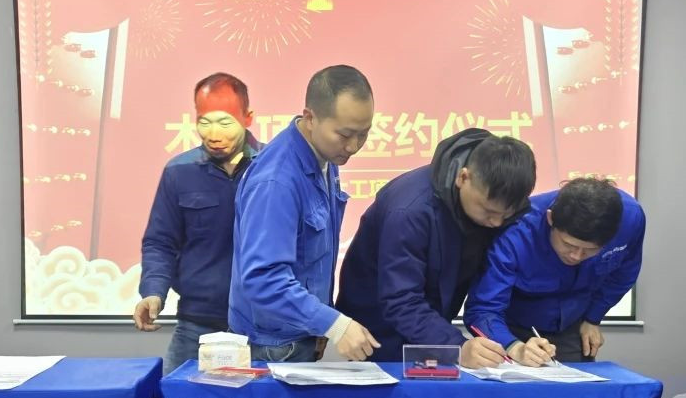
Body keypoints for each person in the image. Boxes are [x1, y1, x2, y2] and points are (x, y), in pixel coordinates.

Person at [335, 129, 536, 366]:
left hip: (431, 326)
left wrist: (512, 344)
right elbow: (401, 300)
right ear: (463, 178)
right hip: (378, 333)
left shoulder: (501, 200)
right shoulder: (410, 211)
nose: (496, 223)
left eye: (506, 215)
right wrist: (457, 347)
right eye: (488, 212)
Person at [228, 64, 380, 362]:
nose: (353, 146)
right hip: (273, 346)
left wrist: (321, 322)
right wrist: (334, 324)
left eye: (363, 134)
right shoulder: (277, 181)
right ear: (310, 118)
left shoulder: (326, 157)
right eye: (345, 134)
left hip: (301, 334)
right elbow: (263, 280)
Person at [134, 72, 260, 374]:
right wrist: (153, 291)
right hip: (197, 327)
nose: (213, 134)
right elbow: (160, 242)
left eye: (225, 123)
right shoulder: (179, 172)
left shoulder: (272, 169)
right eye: (204, 122)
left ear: (247, 118)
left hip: (265, 329)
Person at [465, 177, 645, 366]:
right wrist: (514, 347)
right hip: (511, 325)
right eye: (568, 244)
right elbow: (483, 309)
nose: (576, 256)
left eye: (590, 250)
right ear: (550, 219)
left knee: (579, 382)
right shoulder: (516, 231)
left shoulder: (630, 219)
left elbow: (625, 272)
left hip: (573, 323)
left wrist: (593, 317)